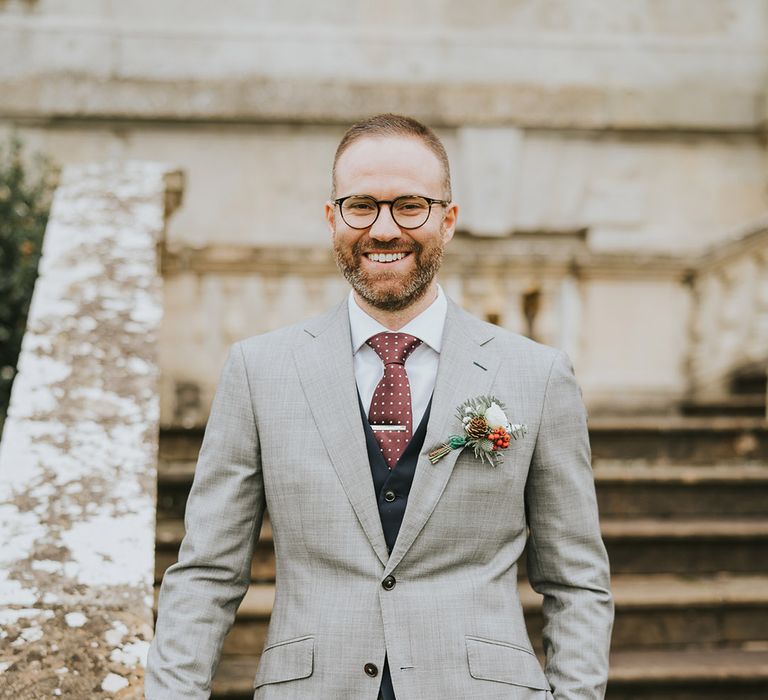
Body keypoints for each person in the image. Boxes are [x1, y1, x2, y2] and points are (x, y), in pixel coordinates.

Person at [146, 113, 613, 700]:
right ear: (331, 218)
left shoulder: (537, 375)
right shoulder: (258, 370)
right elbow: (207, 574)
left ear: (448, 220)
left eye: (410, 206)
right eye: (361, 205)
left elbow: (576, 581)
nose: (384, 229)